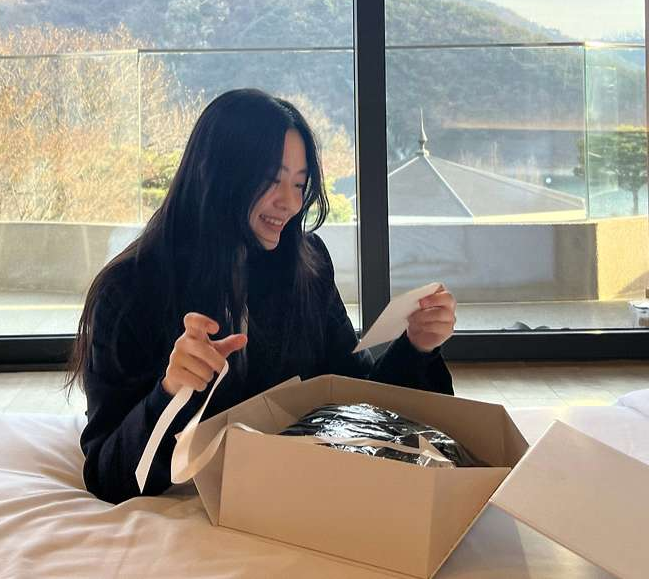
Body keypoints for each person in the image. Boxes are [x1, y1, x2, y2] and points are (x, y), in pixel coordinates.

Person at [66, 88, 457, 505]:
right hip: (212, 509)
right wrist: (171, 390)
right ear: (218, 175)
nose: (290, 202)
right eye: (272, 180)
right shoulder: (128, 290)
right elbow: (107, 475)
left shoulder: (307, 263)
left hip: (305, 496)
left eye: (299, 184)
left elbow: (355, 396)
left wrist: (417, 347)